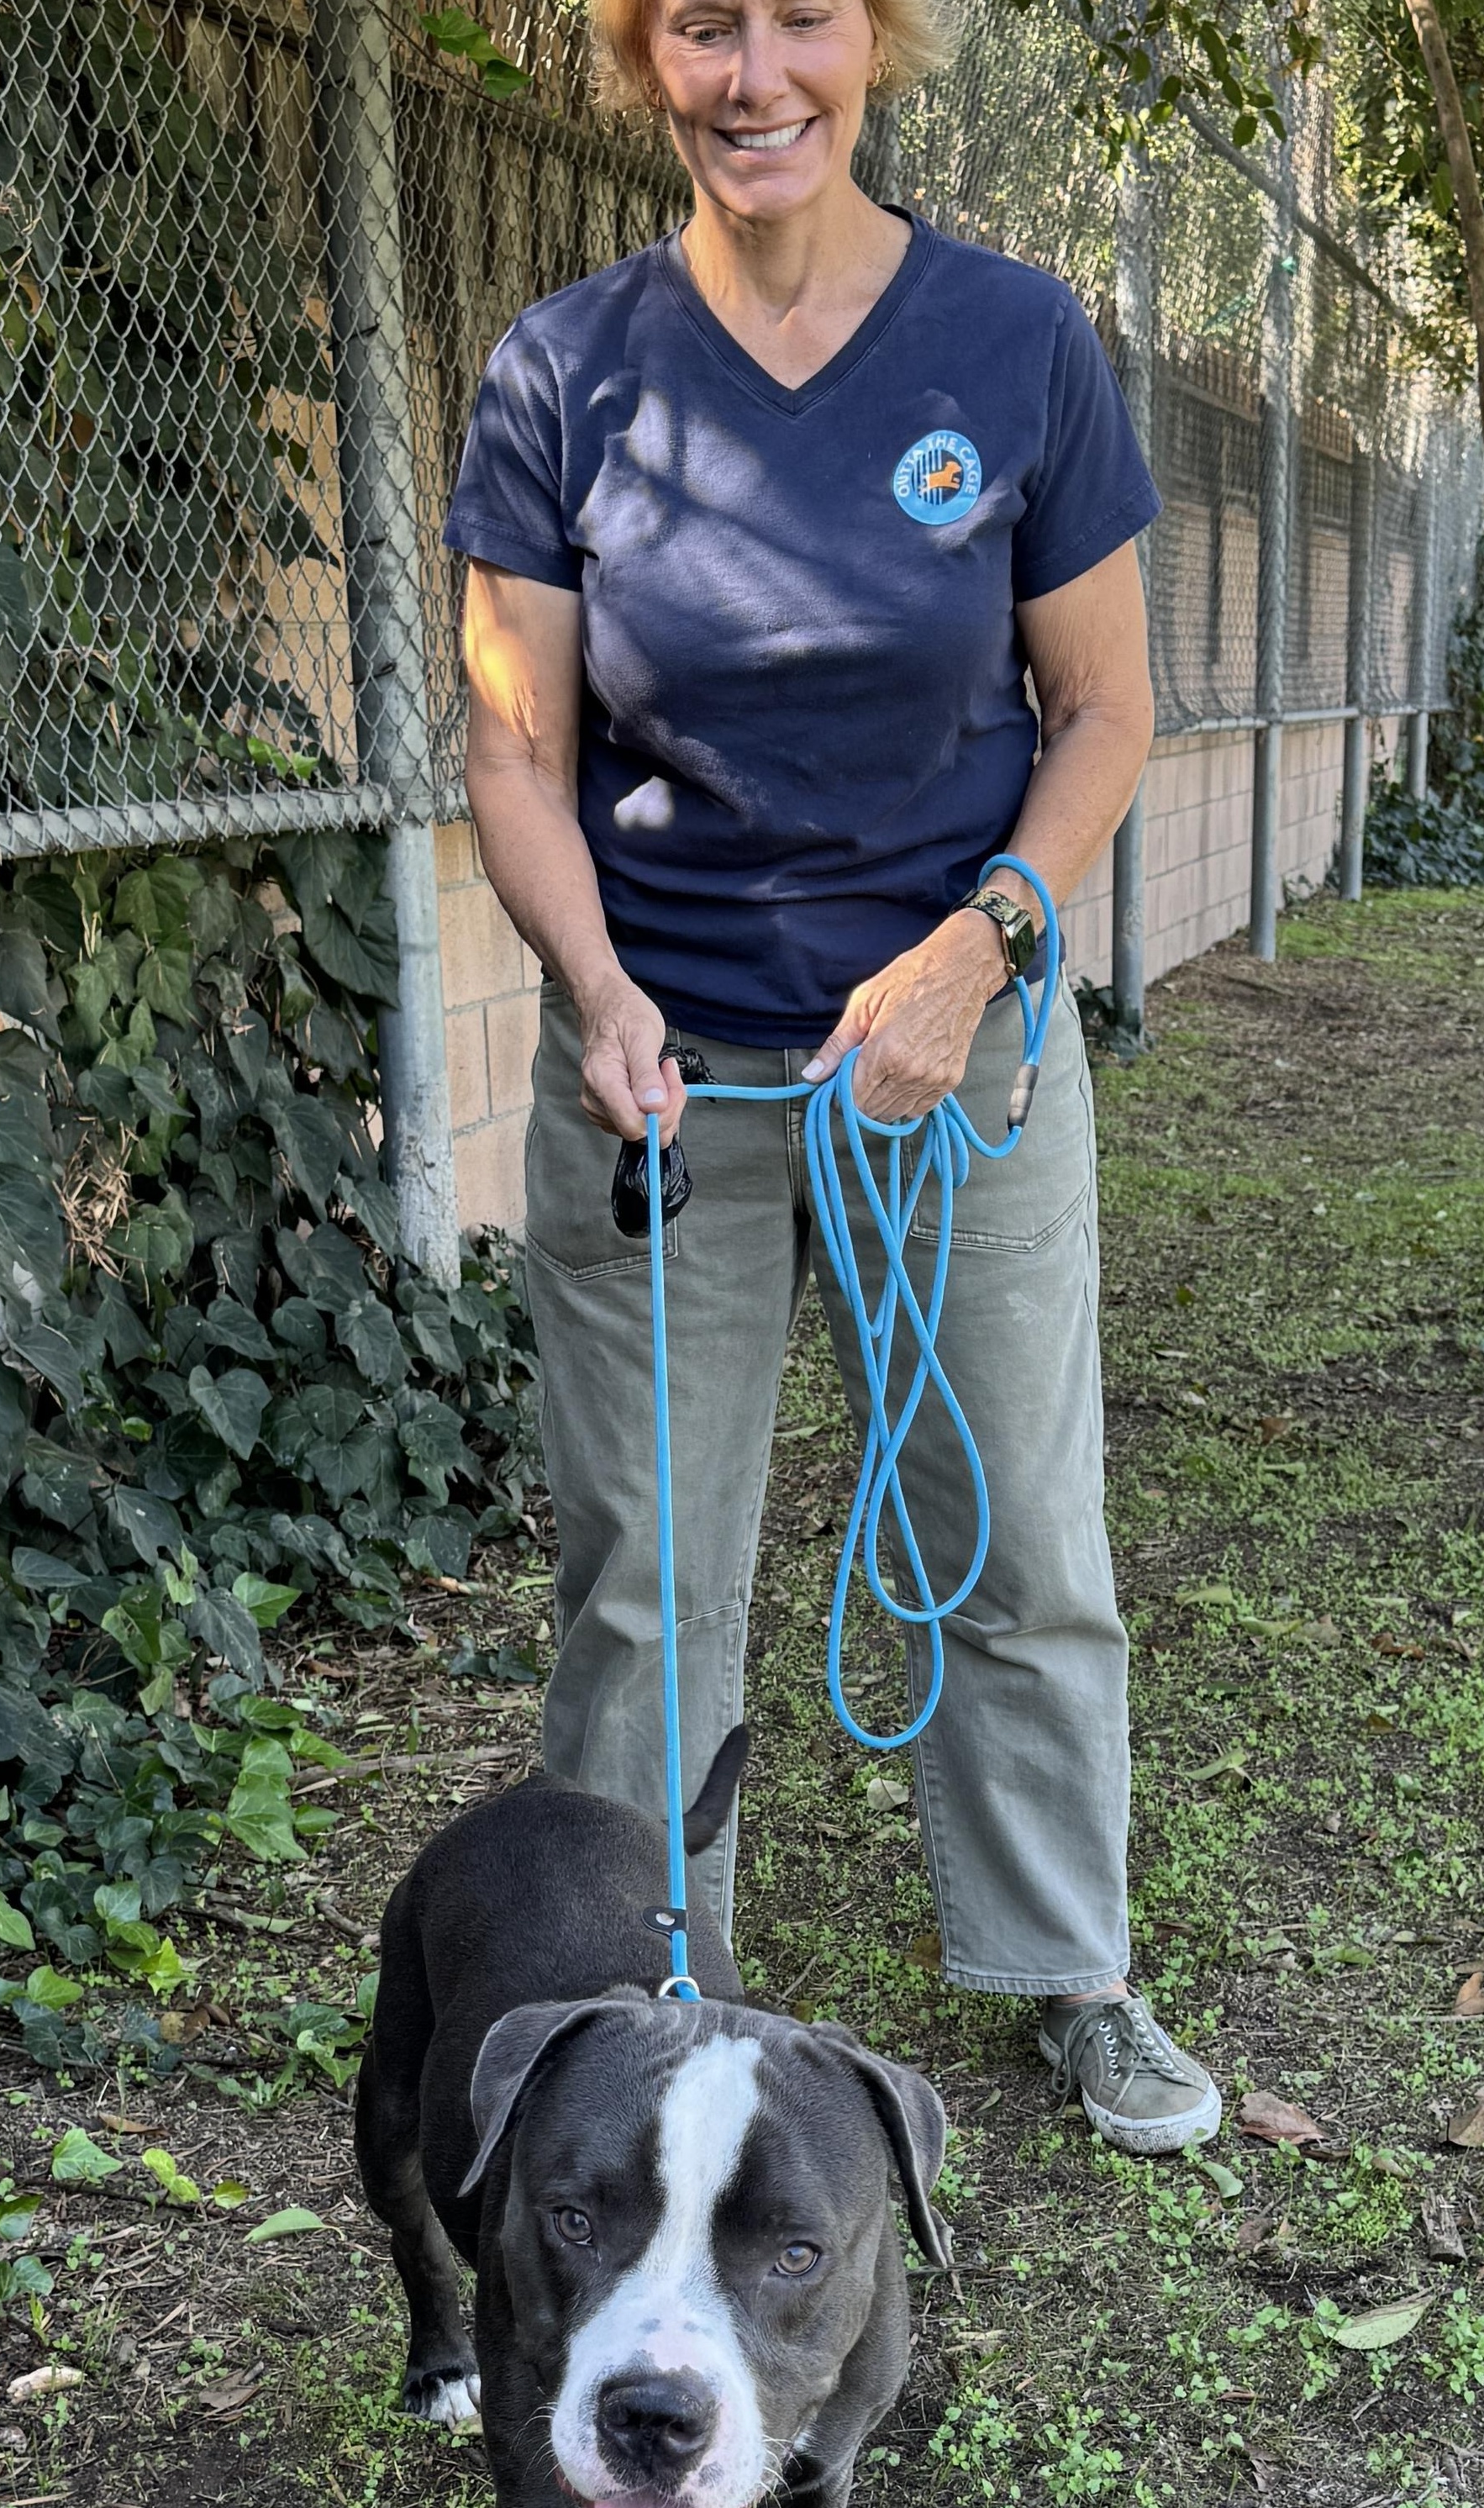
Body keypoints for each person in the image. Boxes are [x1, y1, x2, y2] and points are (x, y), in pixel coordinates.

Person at [444, 0, 1221, 2155]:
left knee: (1018, 1533)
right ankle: (626, 1999)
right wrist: (589, 984)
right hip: (665, 1088)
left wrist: (983, 956)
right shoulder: (567, 372)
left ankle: (1067, 1967)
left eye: (802, 17)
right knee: (641, 1578)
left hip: (950, 1070)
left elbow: (1106, 716)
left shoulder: (1017, 342)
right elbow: (519, 743)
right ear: (642, 61)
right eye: (703, 25)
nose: (754, 72)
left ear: (877, 44)